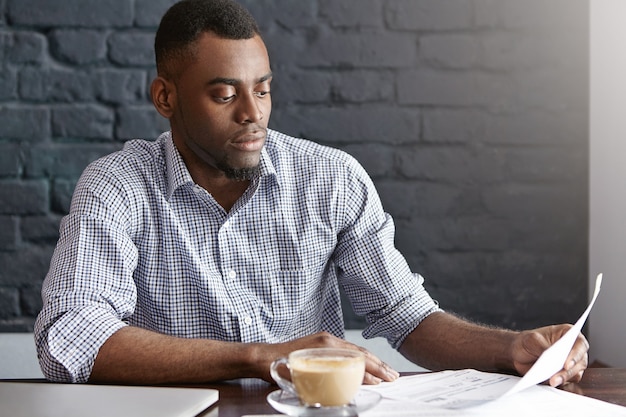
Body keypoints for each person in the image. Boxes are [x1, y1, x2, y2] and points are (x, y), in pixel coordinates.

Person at [34, 0, 588, 387]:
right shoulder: (117, 187)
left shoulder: (332, 178)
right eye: (225, 93)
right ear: (165, 97)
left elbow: (404, 315)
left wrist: (510, 348)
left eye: (264, 89)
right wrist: (264, 359)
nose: (253, 114)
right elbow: (71, 341)